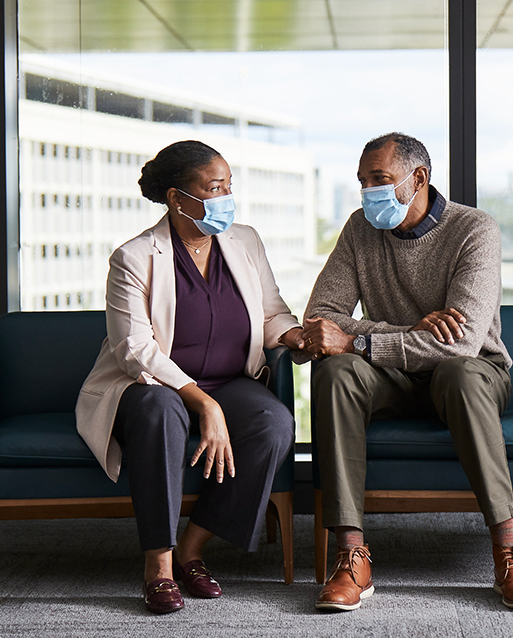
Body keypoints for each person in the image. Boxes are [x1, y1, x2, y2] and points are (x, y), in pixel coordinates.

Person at [302, 132, 513, 611]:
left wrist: (360, 339)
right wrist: (409, 330)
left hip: (471, 376)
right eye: (362, 181)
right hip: (392, 377)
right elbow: (322, 317)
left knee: (457, 371)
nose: (368, 191)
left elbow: (461, 341)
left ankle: (509, 553)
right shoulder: (359, 229)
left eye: (380, 179)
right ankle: (351, 555)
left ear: (419, 178)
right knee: (334, 373)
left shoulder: (475, 229)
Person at [75, 140, 305, 615]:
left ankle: (192, 548)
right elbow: (134, 350)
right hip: (152, 386)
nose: (226, 197)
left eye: (228, 185)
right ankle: (157, 564)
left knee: (274, 424)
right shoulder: (135, 257)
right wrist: (203, 402)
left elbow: (271, 312)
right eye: (214, 187)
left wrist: (297, 336)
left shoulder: (245, 240)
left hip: (230, 380)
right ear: (178, 197)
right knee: (161, 414)